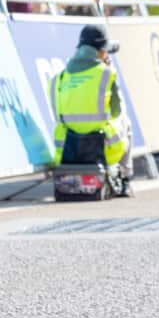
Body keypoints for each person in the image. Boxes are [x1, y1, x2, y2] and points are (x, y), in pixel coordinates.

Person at [50, 24, 132, 192]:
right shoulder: (106, 74)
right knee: (125, 121)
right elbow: (117, 111)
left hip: (67, 152)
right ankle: (125, 179)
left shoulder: (59, 78)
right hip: (102, 151)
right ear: (101, 51)